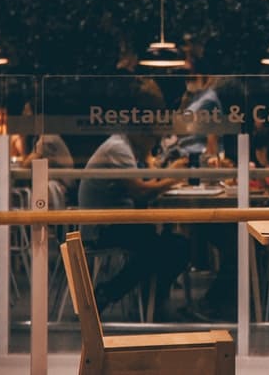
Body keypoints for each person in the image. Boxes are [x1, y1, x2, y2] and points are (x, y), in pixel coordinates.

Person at [77, 78, 190, 320]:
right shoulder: (118, 148)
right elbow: (140, 191)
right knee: (171, 248)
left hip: (116, 221)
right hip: (102, 227)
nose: (152, 146)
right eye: (152, 139)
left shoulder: (123, 146)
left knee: (168, 245)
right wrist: (174, 177)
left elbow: (142, 184)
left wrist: (157, 168)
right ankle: (113, 294)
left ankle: (152, 301)